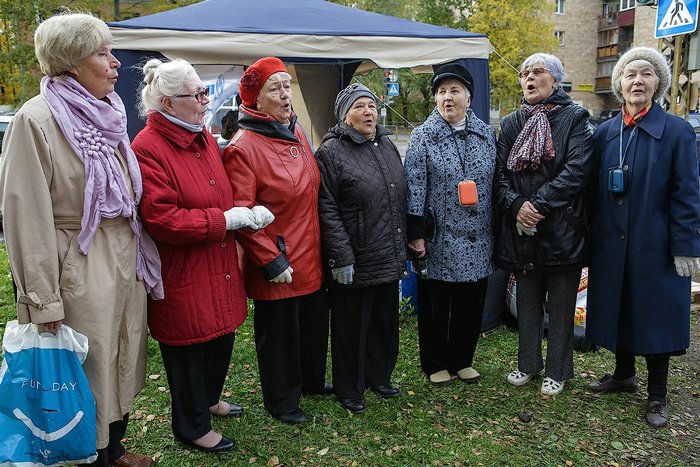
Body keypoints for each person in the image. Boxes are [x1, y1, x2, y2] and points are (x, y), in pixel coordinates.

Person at [0, 12, 162, 467]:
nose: (114, 64)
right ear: (72, 62)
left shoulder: (108, 113)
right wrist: (42, 298)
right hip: (77, 260)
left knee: (121, 357)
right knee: (85, 365)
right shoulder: (36, 120)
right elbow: (24, 216)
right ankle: (88, 454)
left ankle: (114, 449)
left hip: (121, 254)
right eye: (102, 53)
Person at [131, 59, 272, 451]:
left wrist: (246, 212)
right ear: (168, 103)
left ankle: (209, 399)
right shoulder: (148, 147)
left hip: (217, 263)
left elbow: (219, 188)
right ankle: (191, 428)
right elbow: (161, 218)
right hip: (183, 269)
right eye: (198, 94)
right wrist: (223, 220)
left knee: (220, 338)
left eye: (203, 91)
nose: (205, 100)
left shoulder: (202, 136)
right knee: (187, 349)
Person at [585, 47, 700, 428]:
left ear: (659, 84)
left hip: (656, 246)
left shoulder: (677, 131)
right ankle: (622, 374)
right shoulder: (605, 133)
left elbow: (688, 193)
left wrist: (685, 245)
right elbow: (591, 193)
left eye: (647, 74)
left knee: (655, 317)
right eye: (630, 74)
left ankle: (657, 395)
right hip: (611, 244)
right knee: (619, 307)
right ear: (619, 84)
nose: (638, 80)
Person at [223, 57, 330, 425]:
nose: (286, 95)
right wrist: (271, 259)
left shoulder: (295, 131)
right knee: (280, 334)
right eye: (276, 88)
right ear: (254, 99)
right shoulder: (244, 146)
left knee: (312, 324)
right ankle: (282, 400)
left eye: (287, 85)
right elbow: (243, 214)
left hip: (310, 251)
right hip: (280, 258)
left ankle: (312, 381)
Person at [494, 53, 593, 396]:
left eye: (538, 72)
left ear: (555, 81)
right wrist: (518, 204)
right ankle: (528, 364)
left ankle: (558, 370)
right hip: (523, 230)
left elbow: (577, 170)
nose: (530, 78)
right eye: (525, 74)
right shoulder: (510, 123)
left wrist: (538, 203)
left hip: (562, 227)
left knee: (563, 303)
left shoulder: (576, 117)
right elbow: (500, 176)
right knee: (528, 300)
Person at [315, 83, 408, 414]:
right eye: (360, 107)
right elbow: (326, 208)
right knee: (351, 326)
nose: (369, 112)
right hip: (354, 256)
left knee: (384, 320)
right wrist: (340, 256)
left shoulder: (385, 143)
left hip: (388, 249)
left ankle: (378, 376)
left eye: (372, 106)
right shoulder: (330, 152)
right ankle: (349, 387)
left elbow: (398, 194)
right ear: (345, 115)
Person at [404, 63, 496, 387]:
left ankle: (462, 360)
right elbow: (414, 188)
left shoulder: (486, 134)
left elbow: (495, 182)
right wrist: (416, 236)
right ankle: (435, 362)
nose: (447, 97)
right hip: (439, 237)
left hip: (478, 236)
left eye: (454, 90)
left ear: (469, 98)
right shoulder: (422, 137)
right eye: (441, 92)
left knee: (471, 303)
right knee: (436, 304)